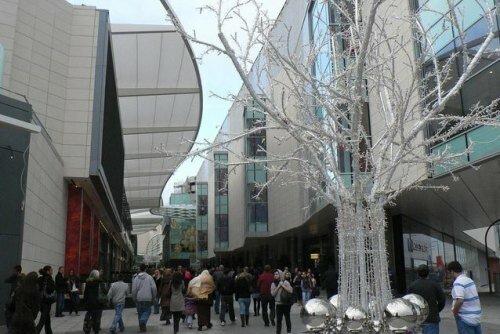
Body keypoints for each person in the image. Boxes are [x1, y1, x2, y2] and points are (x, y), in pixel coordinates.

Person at [408, 264, 446, 334]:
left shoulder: (412, 286)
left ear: (418, 273)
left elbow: (408, 303)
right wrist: (436, 310)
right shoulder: (435, 285)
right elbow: (442, 301)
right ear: (428, 273)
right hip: (432, 318)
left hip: (417, 319)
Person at [447, 261, 482, 334]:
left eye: (449, 273)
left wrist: (454, 312)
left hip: (465, 318)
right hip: (476, 317)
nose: (449, 275)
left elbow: (460, 300)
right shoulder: (469, 280)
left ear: (452, 271)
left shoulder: (458, 282)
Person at [132, 264, 157, 332]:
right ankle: (143, 321)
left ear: (140, 269)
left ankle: (142, 329)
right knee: (147, 311)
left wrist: (134, 297)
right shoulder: (149, 277)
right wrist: (154, 296)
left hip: (139, 298)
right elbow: (154, 288)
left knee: (140, 313)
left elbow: (134, 289)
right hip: (148, 297)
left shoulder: (136, 278)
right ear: (145, 269)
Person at [83, 269, 106, 334]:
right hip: (99, 303)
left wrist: (85, 302)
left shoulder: (88, 283)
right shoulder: (101, 283)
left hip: (90, 303)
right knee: (97, 319)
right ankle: (96, 331)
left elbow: (85, 294)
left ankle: (87, 327)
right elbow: (105, 292)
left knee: (90, 315)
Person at [36, 265, 55, 334]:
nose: (52, 271)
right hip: (46, 302)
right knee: (42, 321)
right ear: (47, 271)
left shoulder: (40, 278)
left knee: (47, 320)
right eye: (51, 270)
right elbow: (50, 290)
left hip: (40, 301)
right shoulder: (49, 279)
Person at [4, 265, 24, 330]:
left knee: (14, 316)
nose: (13, 272)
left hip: (18, 300)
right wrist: (12, 276)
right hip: (12, 299)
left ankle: (13, 329)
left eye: (14, 271)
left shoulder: (22, 279)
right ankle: (10, 328)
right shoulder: (14, 277)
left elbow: (23, 289)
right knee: (8, 315)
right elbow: (6, 280)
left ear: (17, 271)